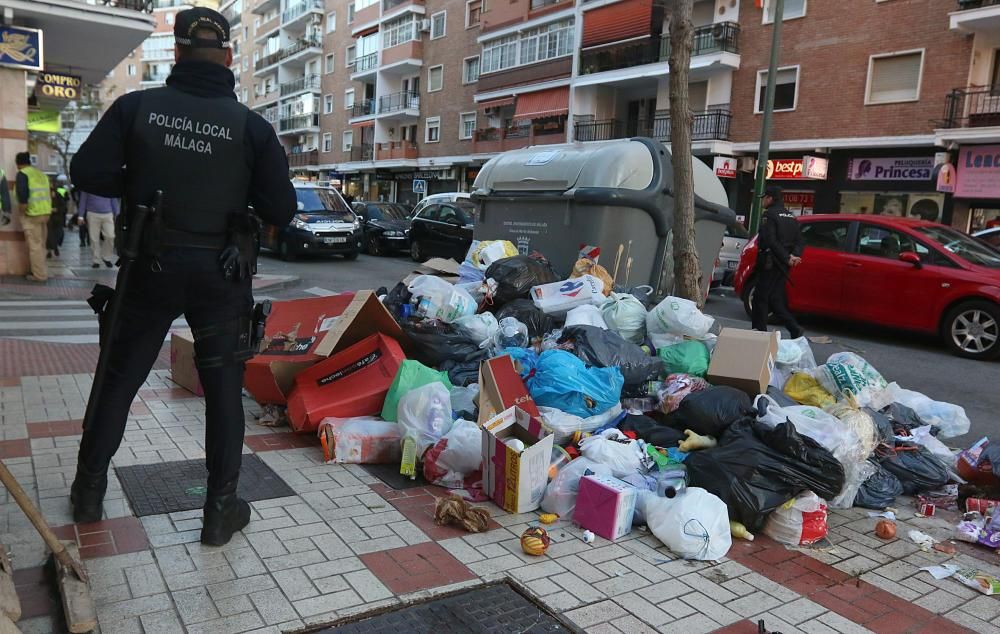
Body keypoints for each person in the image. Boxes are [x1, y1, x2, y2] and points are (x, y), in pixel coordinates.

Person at [69, 7, 295, 546]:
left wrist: (142, 179)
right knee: (222, 393)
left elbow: (86, 172)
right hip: (222, 273)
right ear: (230, 57)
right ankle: (220, 512)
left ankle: (88, 491)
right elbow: (281, 208)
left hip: (151, 266)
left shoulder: (136, 108)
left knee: (119, 379)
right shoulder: (251, 128)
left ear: (176, 53)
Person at [752, 185, 804, 339]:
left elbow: (770, 241)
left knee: (760, 299)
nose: (763, 201)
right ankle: (794, 328)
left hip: (770, 263)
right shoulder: (791, 217)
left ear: (770, 198)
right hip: (783, 265)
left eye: (764, 198)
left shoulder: (770, 215)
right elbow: (800, 241)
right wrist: (793, 256)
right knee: (775, 298)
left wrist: (787, 257)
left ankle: (759, 334)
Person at [14, 153, 52, 282]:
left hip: (32, 214)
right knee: (41, 245)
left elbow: (23, 198)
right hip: (45, 213)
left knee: (35, 247)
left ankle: (39, 275)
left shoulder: (23, 174)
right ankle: (42, 271)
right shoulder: (41, 174)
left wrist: (22, 213)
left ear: (18, 164)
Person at [76, 190, 120, 268]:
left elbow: (114, 200)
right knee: (94, 238)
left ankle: (106, 257)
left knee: (111, 236)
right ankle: (96, 260)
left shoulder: (109, 184)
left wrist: (117, 213)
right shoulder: (87, 185)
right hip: (92, 214)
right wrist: (80, 216)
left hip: (108, 213)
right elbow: (83, 201)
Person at [47, 180, 69, 259]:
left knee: (58, 233)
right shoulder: (44, 194)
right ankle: (49, 250)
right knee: (49, 235)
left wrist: (57, 209)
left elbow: (65, 201)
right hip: (48, 217)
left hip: (58, 217)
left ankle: (55, 246)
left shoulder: (59, 192)